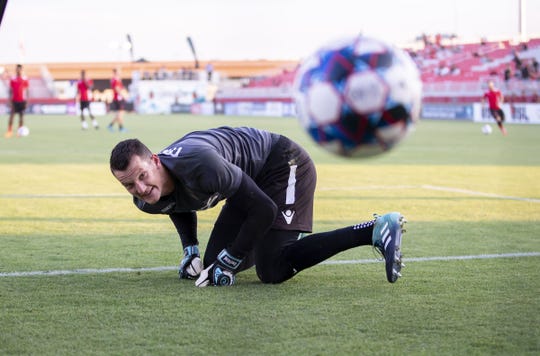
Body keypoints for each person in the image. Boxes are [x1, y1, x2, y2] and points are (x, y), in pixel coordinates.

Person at [109, 126, 406, 287]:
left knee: (272, 269)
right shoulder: (144, 199)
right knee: (210, 269)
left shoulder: (202, 165)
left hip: (282, 162)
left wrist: (234, 257)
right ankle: (282, 236)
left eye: (142, 176)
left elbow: (264, 209)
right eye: (129, 185)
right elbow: (175, 204)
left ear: (156, 161)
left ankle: (374, 229)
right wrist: (190, 250)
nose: (141, 189)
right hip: (245, 184)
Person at [5, 64, 29, 138]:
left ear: (22, 70)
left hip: (22, 101)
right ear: (16, 70)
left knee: (21, 117)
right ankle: (9, 131)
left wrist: (27, 101)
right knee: (11, 116)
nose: (18, 70)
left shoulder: (25, 79)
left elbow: (27, 90)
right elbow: (10, 90)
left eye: (20, 69)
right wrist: (9, 100)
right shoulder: (13, 79)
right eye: (17, 69)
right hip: (14, 101)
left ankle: (19, 132)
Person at [107, 68, 127, 132]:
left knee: (119, 114)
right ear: (116, 72)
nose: (120, 72)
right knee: (120, 114)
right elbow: (117, 89)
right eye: (119, 71)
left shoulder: (115, 79)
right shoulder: (116, 80)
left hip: (117, 98)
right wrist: (123, 96)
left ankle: (111, 125)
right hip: (118, 99)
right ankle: (121, 128)